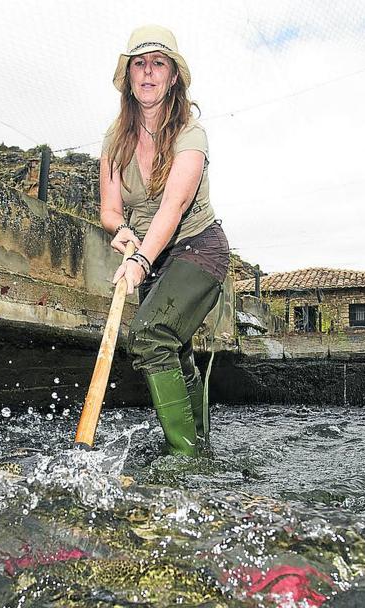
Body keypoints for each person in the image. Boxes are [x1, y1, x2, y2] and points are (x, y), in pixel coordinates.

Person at [100, 25, 230, 457]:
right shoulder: (115, 139)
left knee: (150, 335)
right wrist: (121, 232)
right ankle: (202, 448)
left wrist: (137, 262)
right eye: (140, 63)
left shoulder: (190, 134)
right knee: (177, 352)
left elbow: (173, 209)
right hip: (154, 257)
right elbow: (110, 209)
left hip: (198, 249)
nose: (148, 72)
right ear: (129, 76)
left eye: (159, 63)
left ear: (173, 76)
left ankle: (185, 459)